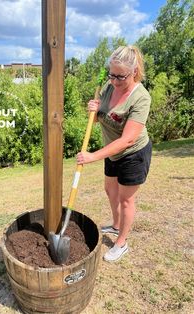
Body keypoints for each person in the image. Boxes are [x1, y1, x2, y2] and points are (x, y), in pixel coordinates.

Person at [76, 45, 152, 262]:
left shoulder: (141, 98)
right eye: (112, 74)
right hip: (112, 151)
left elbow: (127, 139)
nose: (115, 81)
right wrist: (94, 110)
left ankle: (122, 242)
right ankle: (116, 225)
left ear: (134, 72)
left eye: (121, 76)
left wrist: (92, 156)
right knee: (110, 191)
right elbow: (103, 116)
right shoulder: (109, 86)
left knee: (126, 199)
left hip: (133, 153)